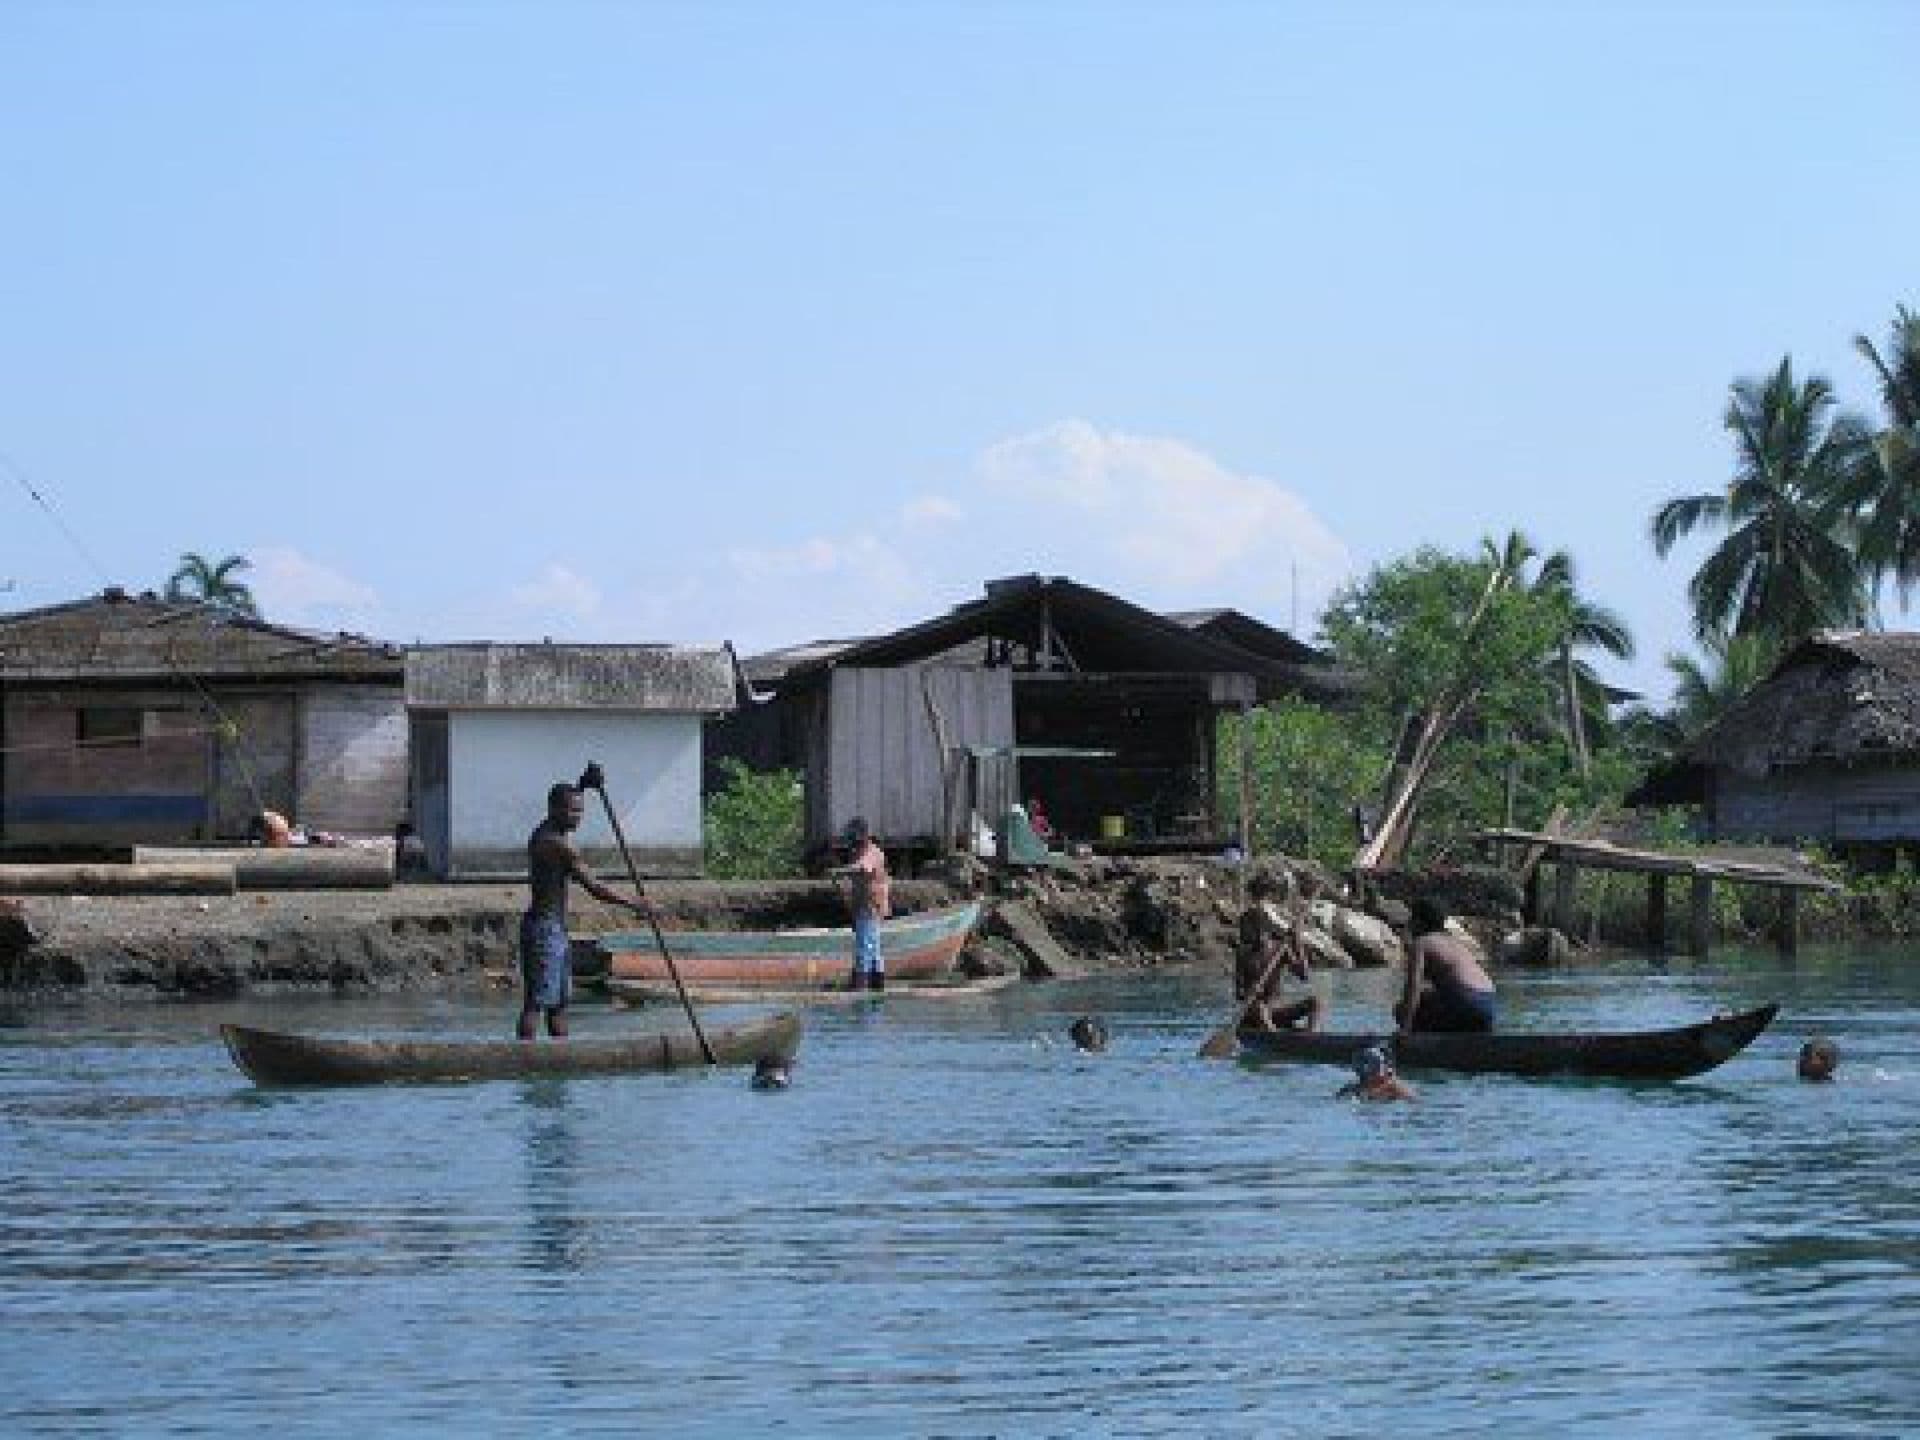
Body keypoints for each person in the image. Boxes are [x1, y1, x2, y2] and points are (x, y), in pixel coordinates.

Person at [519, 781, 652, 1040]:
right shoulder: (554, 844)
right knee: (535, 1003)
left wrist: (586, 783)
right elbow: (594, 887)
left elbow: (569, 795)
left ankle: (561, 1061)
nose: (577, 818)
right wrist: (632, 903)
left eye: (580, 811)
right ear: (554, 810)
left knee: (559, 1005)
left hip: (555, 929)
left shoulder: (552, 831)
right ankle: (526, 1060)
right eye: (572, 811)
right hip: (543, 930)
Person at [1234, 871, 1326, 1032]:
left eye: (1250, 927)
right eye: (1245, 928)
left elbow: (1304, 976)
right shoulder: (1243, 954)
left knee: (1316, 1002)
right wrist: (1250, 992)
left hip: (1276, 1012)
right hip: (1254, 1014)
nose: (1246, 933)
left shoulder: (1279, 949)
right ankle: (1274, 1037)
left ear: (1262, 928)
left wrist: (1297, 942)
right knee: (1261, 1009)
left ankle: (1311, 1038)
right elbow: (1239, 994)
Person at [1397, 897, 1497, 1034]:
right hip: (1489, 1006)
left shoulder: (1421, 943)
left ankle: (1422, 1048)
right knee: (1427, 998)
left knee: (1400, 1010)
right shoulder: (1456, 943)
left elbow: (1413, 987)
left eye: (1411, 920)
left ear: (1419, 922)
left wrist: (1405, 1029)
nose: (1409, 925)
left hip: (1466, 1004)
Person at [832, 816, 891, 990]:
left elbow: (862, 868)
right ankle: (876, 985)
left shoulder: (872, 853)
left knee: (864, 946)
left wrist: (840, 871)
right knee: (873, 948)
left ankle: (860, 986)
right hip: (865, 906)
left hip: (871, 906)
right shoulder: (860, 853)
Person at [1337, 1045, 1418, 1102]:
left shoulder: (1395, 1087)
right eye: (1366, 1075)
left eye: (1373, 1072)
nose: (1369, 1078)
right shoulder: (1354, 1087)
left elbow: (1414, 1102)